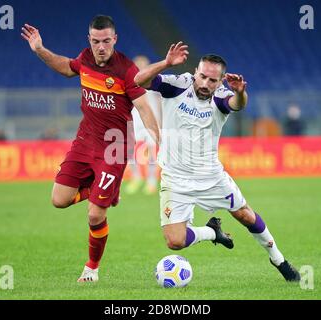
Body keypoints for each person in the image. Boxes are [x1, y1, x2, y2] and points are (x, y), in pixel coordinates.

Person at [134, 42, 300, 282]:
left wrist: (240, 92)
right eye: (202, 76)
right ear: (196, 73)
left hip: (210, 176)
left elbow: (237, 105)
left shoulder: (222, 98)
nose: (205, 83)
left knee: (245, 215)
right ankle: (212, 232)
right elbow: (139, 80)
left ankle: (279, 260)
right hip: (175, 178)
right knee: (175, 241)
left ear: (221, 82)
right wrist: (166, 63)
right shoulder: (177, 86)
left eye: (212, 80)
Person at [21, 15, 160, 283]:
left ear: (114, 40)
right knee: (59, 200)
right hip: (84, 143)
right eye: (96, 41)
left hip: (114, 148)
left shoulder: (127, 70)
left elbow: (143, 107)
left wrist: (160, 142)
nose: (101, 47)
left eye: (106, 41)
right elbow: (65, 67)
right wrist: (39, 49)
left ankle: (91, 268)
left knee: (96, 214)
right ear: (89, 40)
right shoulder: (85, 58)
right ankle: (106, 192)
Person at [126, 55, 162, 195]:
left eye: (143, 65)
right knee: (130, 151)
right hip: (135, 119)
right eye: (138, 65)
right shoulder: (130, 82)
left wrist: (160, 121)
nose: (140, 67)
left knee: (152, 152)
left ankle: (151, 181)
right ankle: (136, 178)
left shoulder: (154, 81)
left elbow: (159, 102)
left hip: (151, 120)